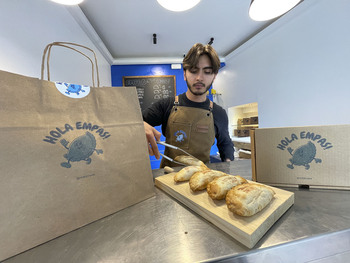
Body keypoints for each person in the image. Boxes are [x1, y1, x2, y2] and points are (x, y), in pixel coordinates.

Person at [143, 43, 234, 167]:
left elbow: (225, 144)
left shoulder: (219, 113)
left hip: (202, 178)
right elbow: (129, 123)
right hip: (168, 178)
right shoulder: (166, 105)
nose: (199, 78)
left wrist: (228, 163)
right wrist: (140, 125)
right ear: (185, 74)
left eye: (207, 72)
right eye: (193, 71)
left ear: (214, 76)